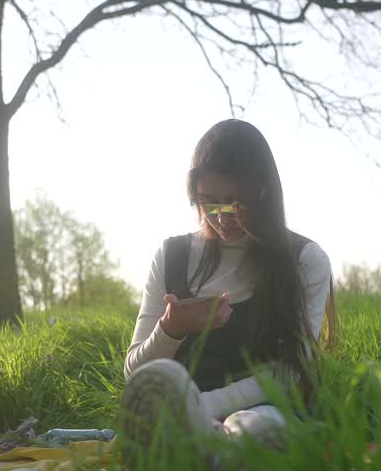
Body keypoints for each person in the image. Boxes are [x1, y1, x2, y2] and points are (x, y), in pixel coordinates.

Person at [119, 119, 336, 452]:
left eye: (237, 203)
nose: (222, 218)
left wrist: (201, 407)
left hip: (262, 410)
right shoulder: (171, 255)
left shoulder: (304, 260)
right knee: (169, 385)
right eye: (209, 202)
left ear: (264, 192)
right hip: (180, 416)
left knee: (257, 426)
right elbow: (137, 375)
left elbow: (290, 372)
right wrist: (170, 329)